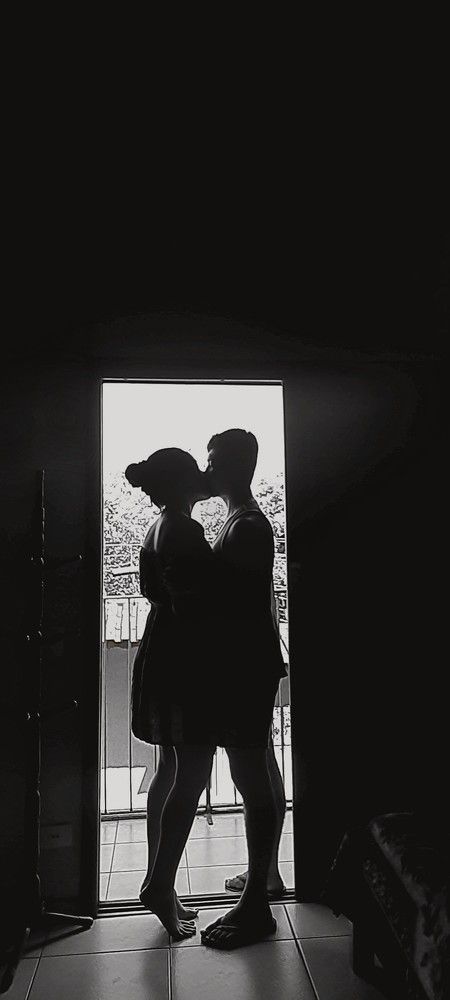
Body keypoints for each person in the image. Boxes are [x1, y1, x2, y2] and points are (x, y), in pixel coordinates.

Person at [199, 428, 288, 950]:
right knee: (263, 767)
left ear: (236, 465)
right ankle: (267, 877)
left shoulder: (248, 526)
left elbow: (233, 608)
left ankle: (256, 906)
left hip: (242, 668)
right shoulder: (242, 521)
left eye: (213, 461)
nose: (206, 470)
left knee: (250, 776)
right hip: (252, 664)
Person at [125, 448, 218, 940]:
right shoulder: (184, 529)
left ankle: (160, 882)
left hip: (160, 651)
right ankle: (160, 884)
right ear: (183, 481)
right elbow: (195, 607)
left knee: (169, 770)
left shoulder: (157, 527)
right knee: (194, 772)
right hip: (185, 661)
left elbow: (159, 594)